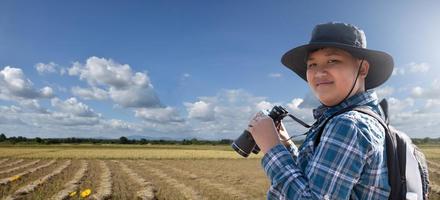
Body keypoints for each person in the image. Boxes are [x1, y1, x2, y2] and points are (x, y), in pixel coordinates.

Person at [247, 22, 394, 199]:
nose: (318, 73)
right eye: (312, 65)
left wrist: (272, 148)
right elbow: (313, 180)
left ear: (362, 69)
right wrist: (286, 145)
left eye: (333, 61)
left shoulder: (349, 124)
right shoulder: (362, 118)